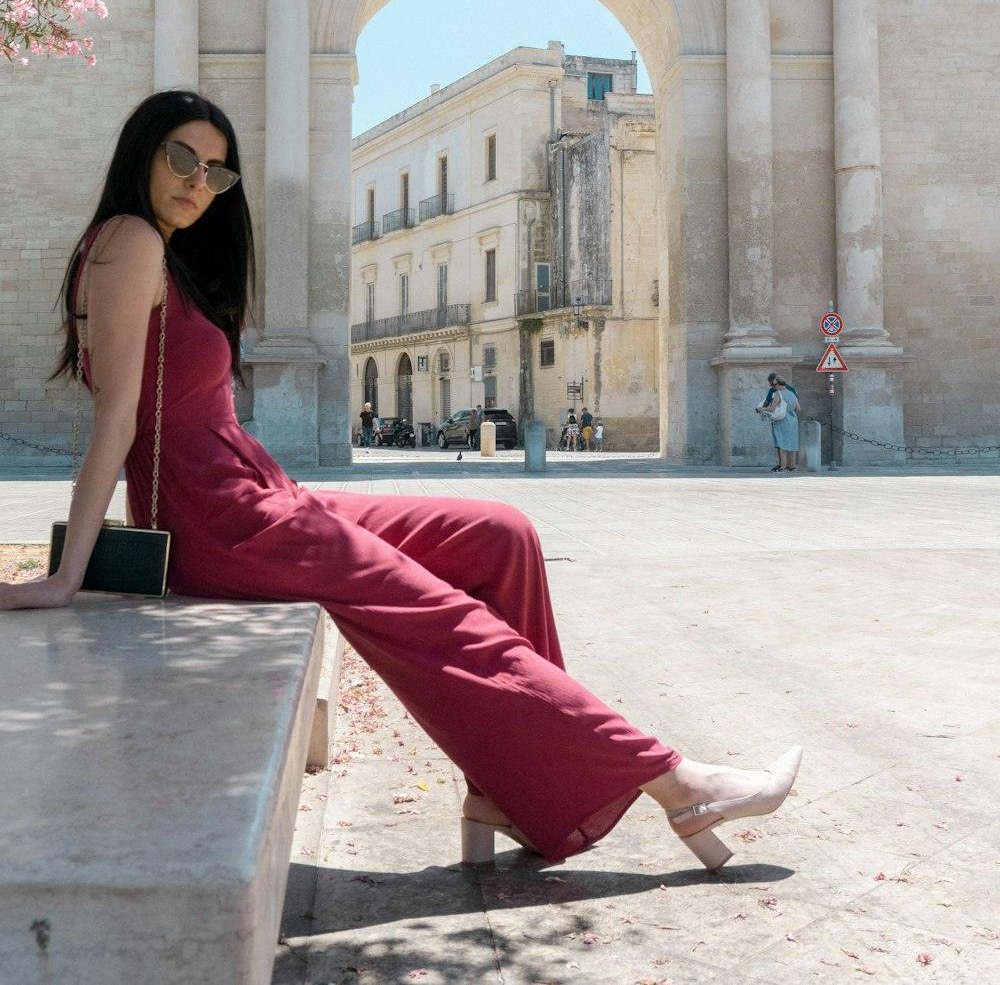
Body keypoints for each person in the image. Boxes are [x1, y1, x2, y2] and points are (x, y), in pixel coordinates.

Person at [0, 91, 801, 870]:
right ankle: (680, 782)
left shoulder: (158, 250)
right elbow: (117, 416)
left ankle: (504, 788)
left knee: (500, 535)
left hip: (264, 496)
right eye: (181, 157)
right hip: (220, 522)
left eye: (216, 171)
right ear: (141, 149)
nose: (196, 181)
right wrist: (68, 573)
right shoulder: (128, 241)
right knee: (438, 613)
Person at [757, 377, 801, 472]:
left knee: (782, 443)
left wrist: (762, 409)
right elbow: (798, 409)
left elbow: (772, 409)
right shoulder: (792, 393)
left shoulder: (778, 393)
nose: (774, 387)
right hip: (793, 421)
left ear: (777, 384)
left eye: (774, 385)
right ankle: (792, 466)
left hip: (782, 420)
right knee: (792, 443)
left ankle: (783, 467)